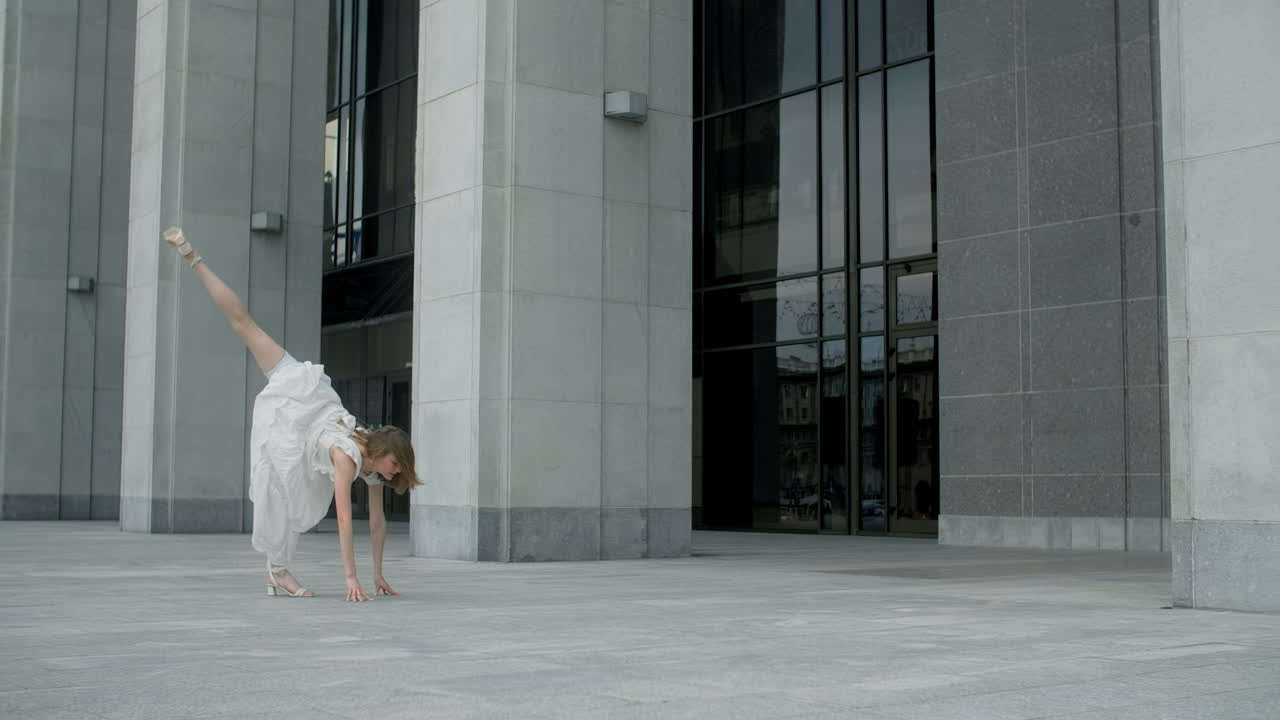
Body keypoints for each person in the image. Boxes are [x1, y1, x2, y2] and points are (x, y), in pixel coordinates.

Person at [162, 227, 421, 601]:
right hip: (300, 404)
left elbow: (377, 525)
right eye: (395, 465)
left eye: (397, 471)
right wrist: (351, 578)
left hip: (311, 410)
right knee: (245, 325)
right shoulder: (348, 458)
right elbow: (346, 521)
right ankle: (192, 256)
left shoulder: (373, 465)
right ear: (383, 452)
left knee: (282, 501)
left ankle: (277, 571)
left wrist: (378, 574)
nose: (394, 473)